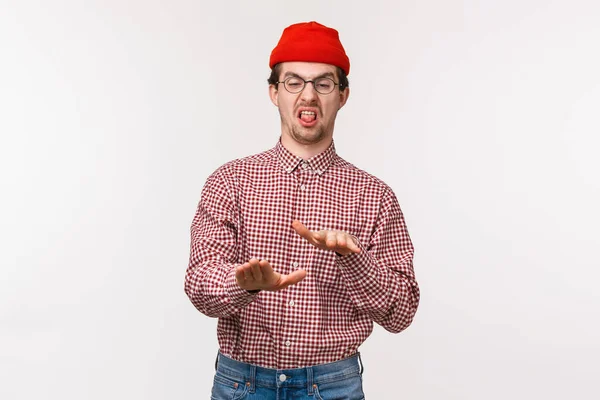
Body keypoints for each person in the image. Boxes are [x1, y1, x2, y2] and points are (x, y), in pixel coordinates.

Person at [185, 21, 419, 399]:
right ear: (274, 92)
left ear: (342, 95)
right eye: (294, 82)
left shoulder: (376, 196)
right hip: (241, 385)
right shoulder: (229, 182)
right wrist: (241, 284)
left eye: (323, 83)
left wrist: (353, 258)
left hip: (332, 386)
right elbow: (198, 285)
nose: (308, 96)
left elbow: (402, 312)